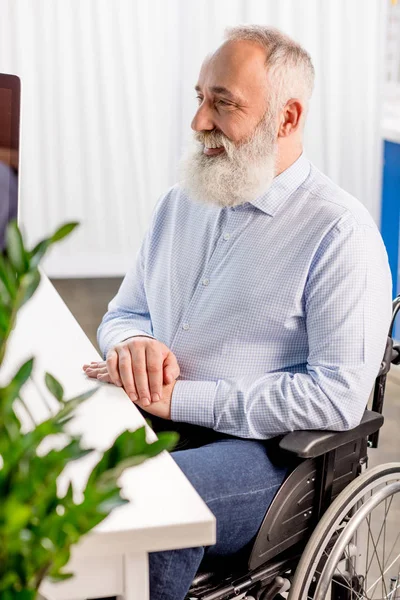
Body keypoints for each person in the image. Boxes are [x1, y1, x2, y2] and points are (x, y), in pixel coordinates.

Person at [83, 25, 392, 600]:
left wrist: (180, 398)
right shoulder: (180, 203)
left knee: (153, 505)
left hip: (271, 455)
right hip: (160, 419)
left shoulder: (339, 233)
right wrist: (132, 347)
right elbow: (124, 312)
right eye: (200, 98)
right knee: (51, 465)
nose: (200, 121)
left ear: (287, 118)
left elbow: (336, 395)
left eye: (224, 103)